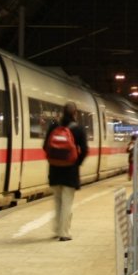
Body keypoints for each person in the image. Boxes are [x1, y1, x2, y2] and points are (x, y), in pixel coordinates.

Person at [44, 101, 88, 241]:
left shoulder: (53, 127)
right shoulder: (78, 129)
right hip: (70, 172)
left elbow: (45, 147)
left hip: (55, 171)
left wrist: (54, 161)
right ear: (75, 113)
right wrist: (76, 163)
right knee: (67, 203)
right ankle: (64, 233)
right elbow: (85, 150)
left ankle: (57, 229)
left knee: (58, 201)